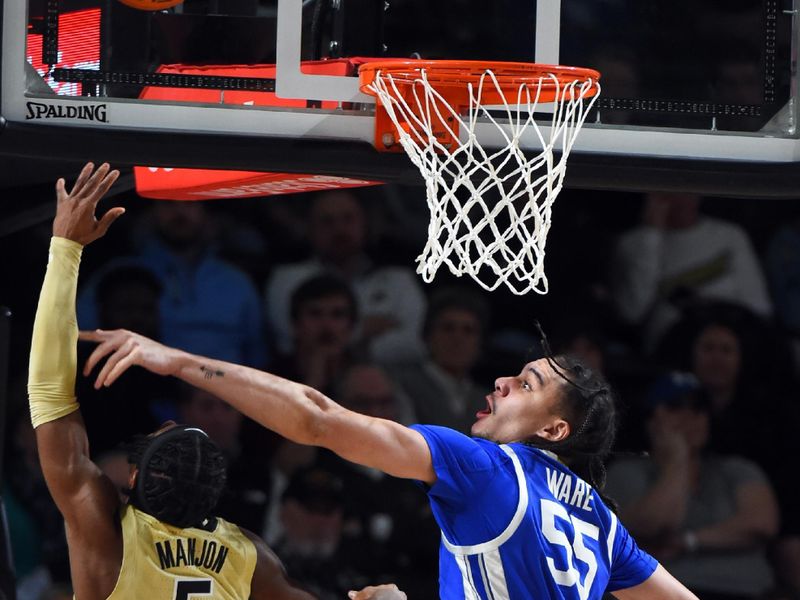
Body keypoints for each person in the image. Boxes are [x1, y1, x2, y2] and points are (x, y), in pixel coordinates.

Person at [83, 306, 698, 593]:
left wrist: (177, 361)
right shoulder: (598, 519)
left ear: (555, 431)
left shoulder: (485, 466)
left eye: (527, 385)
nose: (503, 382)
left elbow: (317, 419)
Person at [28, 162, 405, 600]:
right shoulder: (247, 555)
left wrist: (66, 248)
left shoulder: (105, 533)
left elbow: (49, 392)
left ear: (133, 477)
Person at [605, 372, 779, 599]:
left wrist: (689, 541)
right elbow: (655, 524)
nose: (690, 417)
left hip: (746, 591)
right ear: (651, 419)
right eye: (675, 407)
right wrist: (678, 459)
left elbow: (761, 524)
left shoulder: (736, 469)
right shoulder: (626, 470)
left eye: (698, 409)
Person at [609, 191, 772, 353]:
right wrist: (651, 234)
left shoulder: (731, 235)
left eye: (687, 190)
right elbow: (631, 312)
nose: (680, 199)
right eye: (670, 193)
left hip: (734, 342)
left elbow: (759, 307)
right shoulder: (631, 244)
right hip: (671, 349)